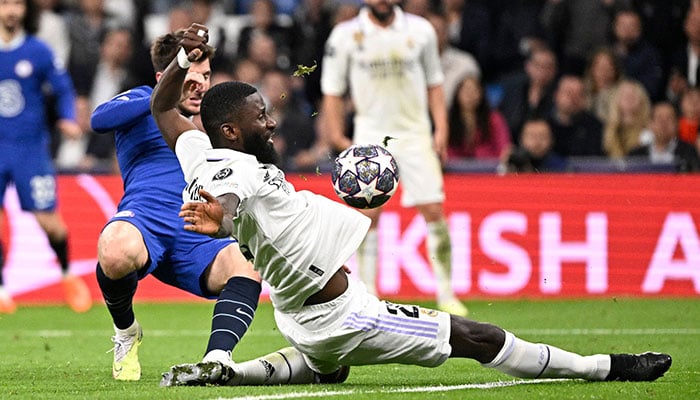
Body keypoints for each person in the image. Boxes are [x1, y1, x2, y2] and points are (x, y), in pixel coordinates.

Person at [149, 23, 672, 387]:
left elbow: (162, 106)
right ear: (233, 130)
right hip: (346, 315)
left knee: (330, 368)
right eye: (260, 116)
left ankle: (232, 372)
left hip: (298, 316)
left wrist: (182, 61)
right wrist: (218, 216)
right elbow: (228, 193)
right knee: (476, 335)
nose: (271, 121)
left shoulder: (199, 149)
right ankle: (603, 367)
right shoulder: (232, 169)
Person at [89, 27, 262, 381]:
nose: (199, 85)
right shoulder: (142, 100)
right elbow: (98, 120)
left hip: (196, 230)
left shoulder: (217, 123)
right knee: (114, 249)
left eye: (206, 76)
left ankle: (216, 360)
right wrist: (163, 94)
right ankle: (127, 331)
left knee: (247, 264)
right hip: (146, 219)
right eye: (190, 76)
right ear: (165, 76)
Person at [320, 0, 468, 317]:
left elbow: (435, 84)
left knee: (433, 209)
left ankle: (446, 293)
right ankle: (369, 293)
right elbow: (332, 90)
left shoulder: (421, 30)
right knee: (368, 215)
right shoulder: (345, 35)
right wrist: (335, 135)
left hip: (414, 134)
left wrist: (441, 128)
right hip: (370, 134)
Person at [0, 0, 91, 314]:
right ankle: (1, 289)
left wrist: (67, 117)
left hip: (30, 149)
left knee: (49, 222)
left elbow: (63, 89)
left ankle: (67, 276)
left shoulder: (38, 51)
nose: (11, 11)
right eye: (4, 4)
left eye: (17, 4)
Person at [446, 76, 511, 161]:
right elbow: (445, 150)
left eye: (474, 91)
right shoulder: (448, 120)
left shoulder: (494, 119)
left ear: (481, 94)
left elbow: (504, 147)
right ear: (457, 94)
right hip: (454, 169)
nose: (470, 95)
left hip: (489, 168)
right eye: (466, 91)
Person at [628, 102, 700, 172]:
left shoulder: (689, 152)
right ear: (650, 124)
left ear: (676, 124)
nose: (663, 124)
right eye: (659, 119)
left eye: (668, 119)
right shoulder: (636, 154)